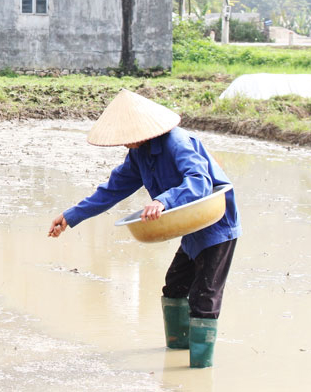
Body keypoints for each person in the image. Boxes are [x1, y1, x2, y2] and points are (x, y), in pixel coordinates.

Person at [47, 89, 240, 368]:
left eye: (127, 136)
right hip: (189, 224)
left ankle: (198, 369)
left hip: (215, 222)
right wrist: (71, 215)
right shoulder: (139, 154)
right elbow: (112, 190)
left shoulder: (177, 142)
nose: (124, 143)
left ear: (143, 130)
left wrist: (164, 200)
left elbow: (200, 182)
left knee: (204, 297)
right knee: (174, 287)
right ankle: (177, 352)